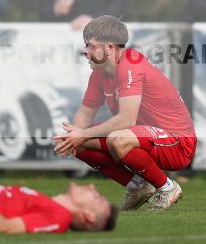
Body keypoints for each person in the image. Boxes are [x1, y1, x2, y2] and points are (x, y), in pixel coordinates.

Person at [54, 15, 196, 211]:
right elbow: (85, 113)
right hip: (143, 136)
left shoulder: (131, 64)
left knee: (116, 138)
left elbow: (126, 119)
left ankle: (167, 187)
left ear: (110, 47)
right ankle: (138, 185)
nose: (85, 51)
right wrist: (74, 135)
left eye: (90, 45)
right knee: (77, 143)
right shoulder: (100, 72)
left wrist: (82, 133)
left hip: (178, 143)